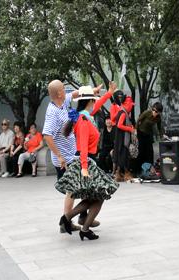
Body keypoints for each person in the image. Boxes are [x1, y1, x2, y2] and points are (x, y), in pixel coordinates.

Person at [57, 82, 119, 241]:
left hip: (88, 161)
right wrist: (84, 168)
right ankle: (79, 225)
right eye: (94, 99)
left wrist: (108, 93)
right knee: (100, 196)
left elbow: (96, 106)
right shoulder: (83, 120)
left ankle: (72, 221)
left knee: (94, 198)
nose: (95, 103)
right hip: (87, 162)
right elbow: (83, 146)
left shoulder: (83, 115)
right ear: (89, 101)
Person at [43, 80, 102, 233]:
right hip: (64, 159)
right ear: (59, 93)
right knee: (72, 190)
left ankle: (81, 217)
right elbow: (47, 136)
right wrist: (59, 156)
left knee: (80, 186)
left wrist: (93, 91)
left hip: (71, 155)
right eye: (64, 88)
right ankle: (65, 222)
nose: (67, 91)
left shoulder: (62, 102)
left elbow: (75, 94)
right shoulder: (52, 112)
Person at [135, 102, 164, 174]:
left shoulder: (158, 118)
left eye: (157, 112)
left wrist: (161, 136)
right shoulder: (146, 113)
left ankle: (150, 168)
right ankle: (138, 170)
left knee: (150, 152)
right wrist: (135, 130)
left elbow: (159, 127)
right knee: (141, 151)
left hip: (148, 134)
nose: (155, 113)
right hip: (141, 133)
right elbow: (139, 120)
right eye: (154, 110)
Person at [114, 93, 135, 182]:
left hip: (120, 138)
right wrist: (130, 129)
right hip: (123, 138)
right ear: (126, 104)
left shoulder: (122, 111)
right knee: (124, 156)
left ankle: (118, 174)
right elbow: (119, 125)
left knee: (121, 156)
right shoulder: (123, 113)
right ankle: (126, 174)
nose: (132, 107)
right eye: (131, 105)